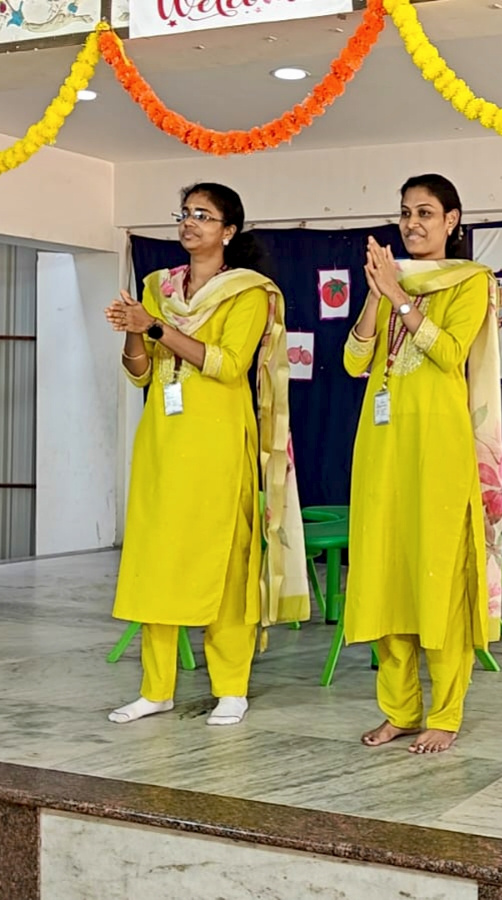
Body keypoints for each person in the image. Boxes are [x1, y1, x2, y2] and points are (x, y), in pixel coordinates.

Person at [103, 182, 309, 726]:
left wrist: (156, 327)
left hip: (218, 443)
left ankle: (232, 688)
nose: (189, 223)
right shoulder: (157, 286)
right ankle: (156, 689)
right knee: (156, 563)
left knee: (225, 563)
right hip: (162, 443)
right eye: (185, 213)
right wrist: (133, 330)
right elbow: (139, 372)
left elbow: (227, 364)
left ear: (229, 231)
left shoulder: (248, 293)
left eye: (203, 215)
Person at [342, 174, 502, 754]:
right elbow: (354, 361)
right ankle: (399, 710)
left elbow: (449, 352)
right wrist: (376, 293)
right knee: (386, 577)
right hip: (382, 449)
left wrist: (401, 299)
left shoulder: (470, 281)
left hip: (438, 450)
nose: (413, 223)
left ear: (452, 221)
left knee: (438, 582)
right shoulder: (393, 282)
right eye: (406, 212)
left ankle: (445, 713)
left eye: (426, 213)